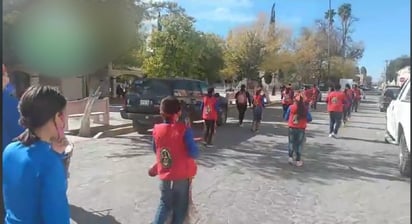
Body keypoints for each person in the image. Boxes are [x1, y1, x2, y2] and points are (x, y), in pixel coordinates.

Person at [3, 85, 70, 224]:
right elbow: (57, 217)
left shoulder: (9, 150)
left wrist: (57, 154)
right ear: (58, 117)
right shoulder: (50, 163)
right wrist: (58, 160)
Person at [151, 96, 199, 224]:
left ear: (161, 113)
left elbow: (156, 150)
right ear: (179, 112)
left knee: (164, 204)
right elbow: (194, 153)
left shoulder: (156, 130)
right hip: (181, 177)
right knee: (180, 208)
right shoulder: (184, 130)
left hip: (165, 175)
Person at [284, 93, 312, 167]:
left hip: (292, 128)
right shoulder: (305, 109)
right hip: (301, 129)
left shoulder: (291, 107)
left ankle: (290, 157)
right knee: (299, 144)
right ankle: (298, 160)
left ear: (294, 100)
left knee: (291, 142)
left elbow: (286, 117)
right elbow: (309, 119)